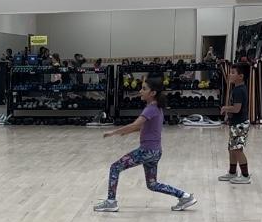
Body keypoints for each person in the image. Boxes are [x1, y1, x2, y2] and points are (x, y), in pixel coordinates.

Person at [94, 77, 196, 213]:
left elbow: (135, 124)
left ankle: (111, 202)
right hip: (155, 152)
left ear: (152, 93)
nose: (140, 91)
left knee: (115, 167)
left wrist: (114, 132)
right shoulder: (157, 107)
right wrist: (127, 132)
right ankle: (185, 196)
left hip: (146, 152)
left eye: (144, 89)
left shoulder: (151, 108)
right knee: (152, 184)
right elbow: (143, 127)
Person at [219, 62, 252, 184]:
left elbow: (237, 109)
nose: (230, 74)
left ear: (241, 76)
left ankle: (245, 175)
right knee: (232, 149)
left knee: (237, 149)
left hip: (240, 125)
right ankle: (232, 172)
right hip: (235, 124)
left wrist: (225, 108)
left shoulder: (239, 91)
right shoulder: (237, 89)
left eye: (233, 73)